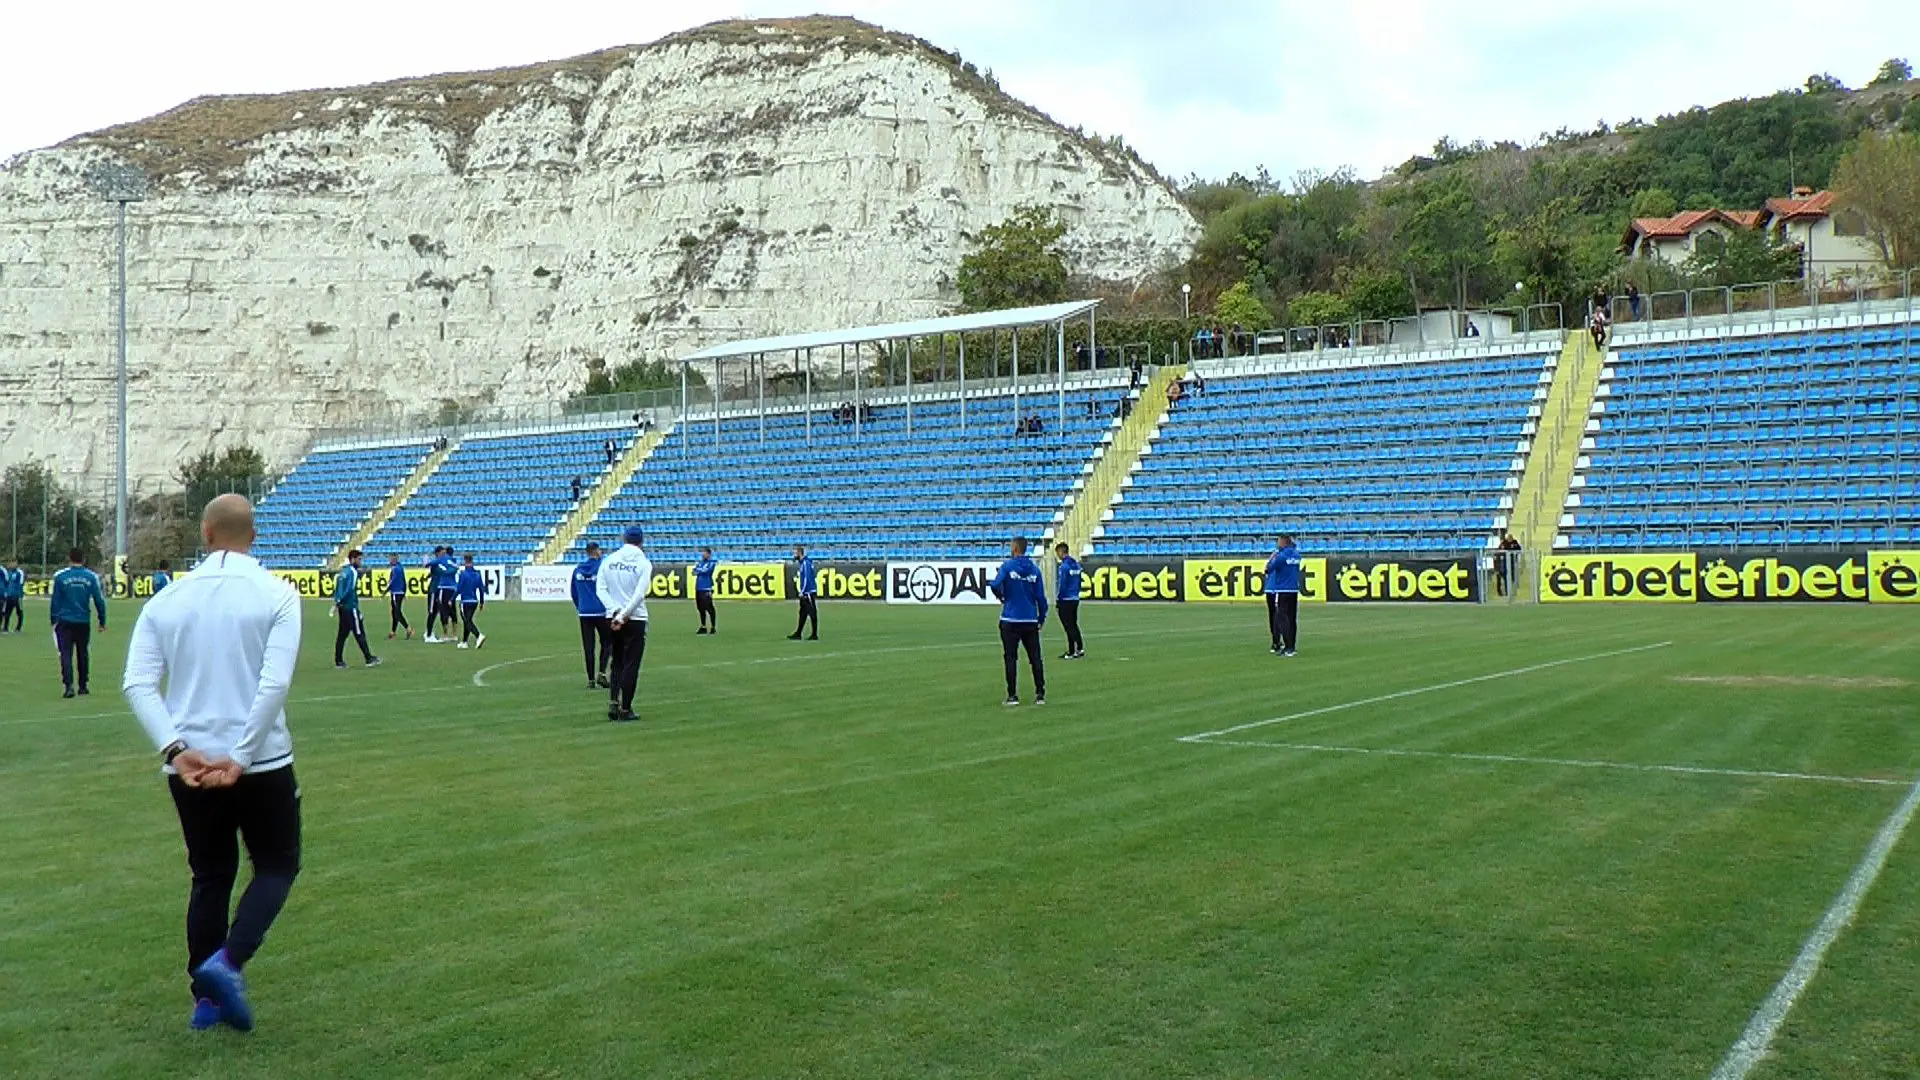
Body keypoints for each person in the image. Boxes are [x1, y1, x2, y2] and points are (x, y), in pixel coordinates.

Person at [121, 494, 302, 1034]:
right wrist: (242, 755)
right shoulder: (278, 594)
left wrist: (175, 750)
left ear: (205, 534)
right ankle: (228, 963)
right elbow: (274, 683)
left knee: (210, 876)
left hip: (192, 765)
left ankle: (205, 1002)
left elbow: (138, 682)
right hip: (262, 761)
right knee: (276, 864)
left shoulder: (167, 600)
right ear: (254, 536)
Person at [596, 525, 653, 723]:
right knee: (631, 664)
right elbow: (640, 594)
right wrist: (624, 614)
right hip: (635, 618)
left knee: (617, 661)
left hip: (612, 618)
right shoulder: (644, 563)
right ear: (641, 542)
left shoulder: (609, 560)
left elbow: (601, 589)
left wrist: (614, 611)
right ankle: (626, 708)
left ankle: (613, 701)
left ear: (624, 539)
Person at [989, 536, 1048, 706]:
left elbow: (994, 585)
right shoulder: (1034, 570)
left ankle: (1012, 695)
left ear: (1015, 548)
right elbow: (1041, 598)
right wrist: (1041, 618)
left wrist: (1002, 596)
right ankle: (1040, 694)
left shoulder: (1008, 566)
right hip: (1029, 619)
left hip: (1010, 619)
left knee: (1011, 658)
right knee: (1035, 658)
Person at [51, 548, 108, 698]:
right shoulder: (91, 577)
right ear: (83, 559)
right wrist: (102, 620)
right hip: (83, 620)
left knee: (66, 653)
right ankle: (83, 686)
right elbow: (99, 600)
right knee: (83, 653)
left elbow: (55, 601)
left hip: (65, 620)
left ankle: (69, 686)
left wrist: (53, 619)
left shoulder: (60, 577)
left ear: (69, 558)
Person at [571, 542, 611, 689]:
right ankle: (602, 673)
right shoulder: (602, 568)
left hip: (584, 612)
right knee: (607, 642)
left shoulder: (578, 570)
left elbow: (574, 592)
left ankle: (591, 680)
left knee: (588, 646)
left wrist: (580, 606)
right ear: (596, 551)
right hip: (601, 611)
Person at [330, 550, 380, 669]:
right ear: (353, 559)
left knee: (342, 635)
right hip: (350, 607)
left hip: (343, 608)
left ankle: (338, 661)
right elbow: (349, 589)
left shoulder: (343, 571)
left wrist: (337, 602)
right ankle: (368, 658)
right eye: (359, 559)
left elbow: (337, 589)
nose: (360, 562)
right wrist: (341, 601)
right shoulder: (353, 572)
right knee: (359, 632)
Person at [1264, 534, 1302, 657]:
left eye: (1279, 541)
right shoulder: (1297, 555)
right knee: (1292, 619)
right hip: (1293, 590)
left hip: (1282, 590)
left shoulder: (1280, 557)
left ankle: (1286, 646)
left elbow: (1268, 569)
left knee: (1282, 618)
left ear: (1283, 542)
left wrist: (1271, 558)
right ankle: (1292, 646)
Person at [1054, 542, 1084, 660]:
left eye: (1058, 553)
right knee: (1073, 624)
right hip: (1074, 598)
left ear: (1061, 551)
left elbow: (1062, 584)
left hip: (1065, 599)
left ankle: (1077, 649)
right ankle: (1074, 650)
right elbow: (1080, 581)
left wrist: (1059, 598)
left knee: (1068, 626)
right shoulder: (1076, 564)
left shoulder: (1064, 566)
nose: (1057, 555)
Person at [454, 554, 487, 650]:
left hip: (465, 601)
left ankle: (478, 635)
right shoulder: (477, 574)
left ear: (465, 561)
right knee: (467, 621)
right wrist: (482, 602)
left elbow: (459, 588)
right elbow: (481, 589)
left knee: (467, 621)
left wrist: (452, 599)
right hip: (474, 601)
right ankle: (464, 642)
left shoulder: (463, 574)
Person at [787, 545, 819, 641]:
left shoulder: (805, 563)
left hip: (808, 593)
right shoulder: (803, 563)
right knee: (803, 613)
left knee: (812, 612)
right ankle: (798, 633)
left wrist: (803, 591)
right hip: (806, 592)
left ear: (799, 553)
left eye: (795, 553)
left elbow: (806, 579)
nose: (794, 555)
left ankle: (814, 634)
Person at [384, 553, 412, 640]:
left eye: (391, 559)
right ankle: (393, 632)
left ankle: (408, 628)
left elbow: (392, 581)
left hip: (396, 593)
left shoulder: (395, 569)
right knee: (394, 612)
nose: (390, 561)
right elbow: (404, 581)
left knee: (397, 612)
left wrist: (385, 591)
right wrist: (404, 592)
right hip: (399, 592)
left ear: (395, 560)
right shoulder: (401, 568)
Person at [693, 546, 718, 635]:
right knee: (700, 608)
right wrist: (699, 570)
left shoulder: (711, 563)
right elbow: (694, 571)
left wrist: (698, 570)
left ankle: (713, 627)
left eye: (705, 553)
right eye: (702, 553)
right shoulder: (700, 563)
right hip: (698, 588)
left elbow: (706, 571)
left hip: (706, 588)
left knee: (709, 608)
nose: (703, 554)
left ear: (709, 554)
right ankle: (703, 626)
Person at [1495, 530, 1523, 598]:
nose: (1510, 539)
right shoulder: (1503, 543)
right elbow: (1499, 552)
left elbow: (1519, 549)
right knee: (1503, 577)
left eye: (1511, 537)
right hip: (1503, 563)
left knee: (1512, 577)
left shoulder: (1515, 542)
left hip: (1512, 563)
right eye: (1509, 537)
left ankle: (1510, 591)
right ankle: (1504, 592)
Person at [0, 557, 23, 634]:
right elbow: (7, 583)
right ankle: (5, 628)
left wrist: (20, 596)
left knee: (19, 611)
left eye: (13, 562)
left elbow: (21, 584)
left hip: (17, 596)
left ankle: (18, 628)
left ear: (17, 563)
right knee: (6, 612)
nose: (11, 564)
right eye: (10, 563)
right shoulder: (8, 572)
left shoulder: (19, 572)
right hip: (9, 596)